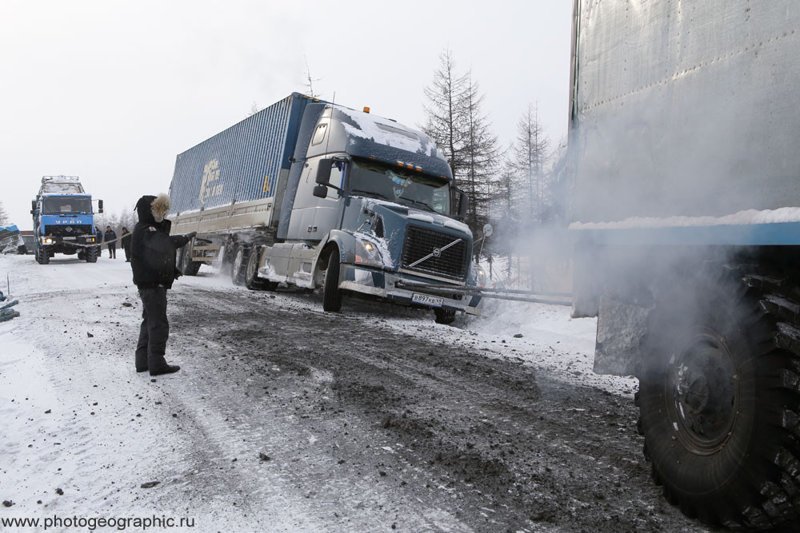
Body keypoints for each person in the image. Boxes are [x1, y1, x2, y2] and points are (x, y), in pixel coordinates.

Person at [131, 194, 195, 376]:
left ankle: (143, 361)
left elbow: (154, 258)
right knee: (159, 324)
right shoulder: (146, 229)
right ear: (150, 211)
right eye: (159, 210)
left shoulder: (145, 229)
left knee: (149, 322)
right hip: (152, 285)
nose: (163, 214)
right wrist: (184, 238)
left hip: (150, 283)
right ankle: (157, 363)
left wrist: (172, 270)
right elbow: (163, 245)